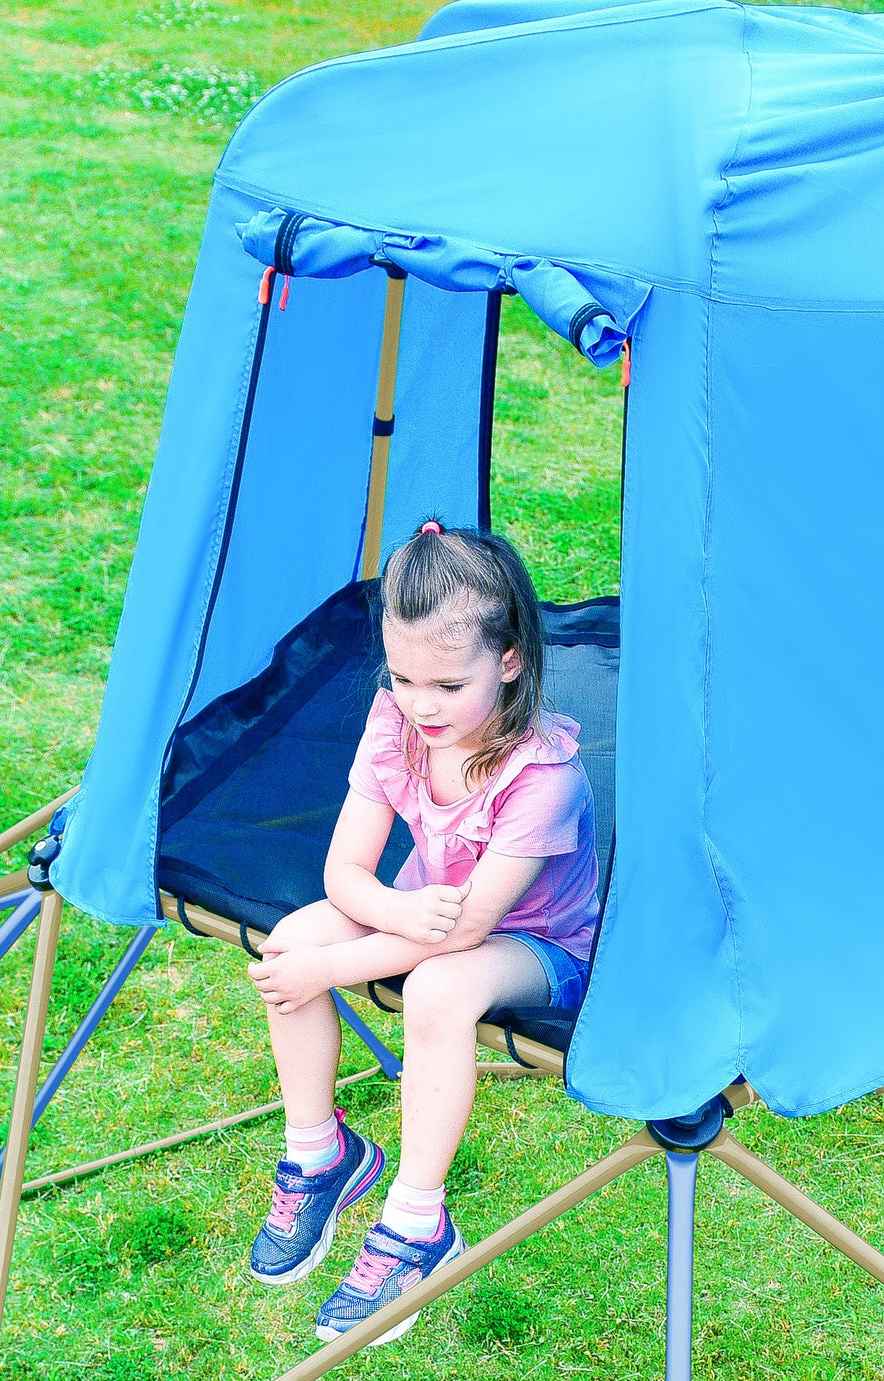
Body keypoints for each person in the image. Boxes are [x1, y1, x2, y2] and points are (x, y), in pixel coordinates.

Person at [244, 521, 599, 1342]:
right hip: (418, 913)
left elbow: (464, 930)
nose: (420, 703)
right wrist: (368, 924)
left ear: (508, 660)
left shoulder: (544, 777)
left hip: (533, 945)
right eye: (402, 676)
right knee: (291, 937)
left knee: (434, 987)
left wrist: (331, 968)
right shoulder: (392, 720)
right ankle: (321, 1153)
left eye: (446, 683)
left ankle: (416, 1223)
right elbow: (344, 873)